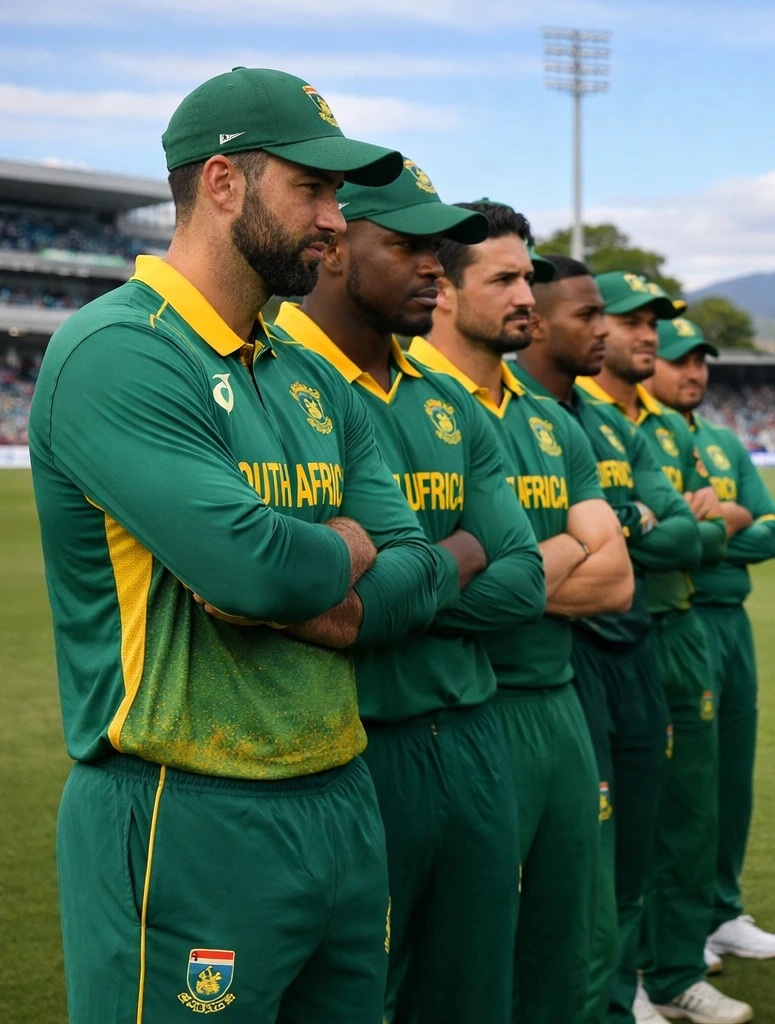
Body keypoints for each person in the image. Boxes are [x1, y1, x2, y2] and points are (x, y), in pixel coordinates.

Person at [35, 67, 458, 1022]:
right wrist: (332, 552)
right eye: (312, 188)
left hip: (342, 794)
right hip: (183, 807)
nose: (336, 220)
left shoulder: (307, 368)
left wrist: (319, 576)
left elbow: (418, 569)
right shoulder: (119, 351)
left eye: (338, 196)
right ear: (223, 183)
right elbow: (253, 568)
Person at [273, 165, 550, 1023]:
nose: (434, 266)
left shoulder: (448, 401)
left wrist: (391, 597)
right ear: (330, 249)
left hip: (471, 729)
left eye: (438, 248)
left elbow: (525, 581)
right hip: (354, 741)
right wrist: (457, 554)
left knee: (472, 987)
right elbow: (304, 595)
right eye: (406, 246)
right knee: (351, 993)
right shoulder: (274, 381)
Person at [404, 199, 634, 1024]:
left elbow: (619, 584)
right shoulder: (402, 405)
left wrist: (511, 574)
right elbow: (434, 593)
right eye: (503, 279)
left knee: (562, 945)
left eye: (529, 277)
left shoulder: (551, 421)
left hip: (559, 703)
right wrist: (569, 548)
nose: (527, 297)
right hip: (464, 709)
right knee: (460, 959)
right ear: (441, 289)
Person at [522, 254, 705, 1024]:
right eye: (593, 316)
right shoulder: (502, 415)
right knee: (574, 871)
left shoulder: (605, 425)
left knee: (633, 848)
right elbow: (514, 568)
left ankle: (621, 997)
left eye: (614, 317)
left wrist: (616, 531)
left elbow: (680, 536)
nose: (607, 332)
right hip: (563, 662)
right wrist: (623, 531)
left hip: (634, 645)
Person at [576, 272, 753, 1024]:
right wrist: (665, 526)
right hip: (606, 637)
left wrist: (649, 525)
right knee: (614, 830)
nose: (648, 334)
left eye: (657, 322)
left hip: (674, 630)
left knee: (687, 816)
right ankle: (627, 985)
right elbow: (637, 532)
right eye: (631, 319)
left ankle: (676, 968)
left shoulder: (649, 425)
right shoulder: (573, 412)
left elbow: (686, 530)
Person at [648, 316, 775, 966]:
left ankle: (721, 909)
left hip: (731, 625)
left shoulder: (726, 443)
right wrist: (720, 534)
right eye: (680, 360)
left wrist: (716, 529)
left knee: (730, 778)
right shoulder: (640, 438)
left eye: (702, 361)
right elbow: (660, 544)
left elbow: (772, 531)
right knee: (679, 784)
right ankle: (672, 922)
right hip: (680, 621)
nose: (696, 373)